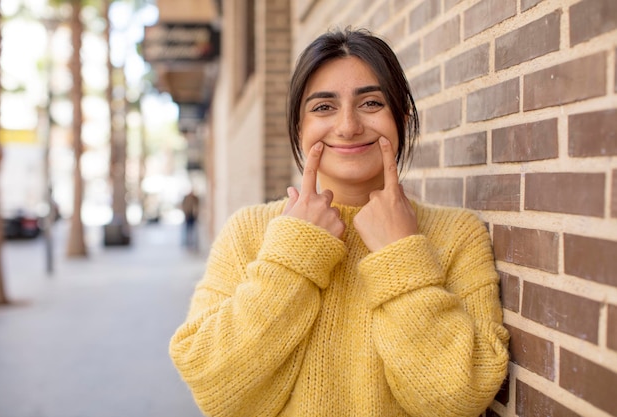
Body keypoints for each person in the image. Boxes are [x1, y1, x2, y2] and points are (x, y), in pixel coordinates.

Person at [169, 27, 509, 417]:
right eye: (323, 107)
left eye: (371, 103)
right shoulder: (249, 231)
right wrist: (294, 254)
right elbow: (213, 385)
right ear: (299, 129)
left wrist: (401, 253)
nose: (348, 126)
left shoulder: (456, 234)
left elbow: (457, 397)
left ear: (402, 117)